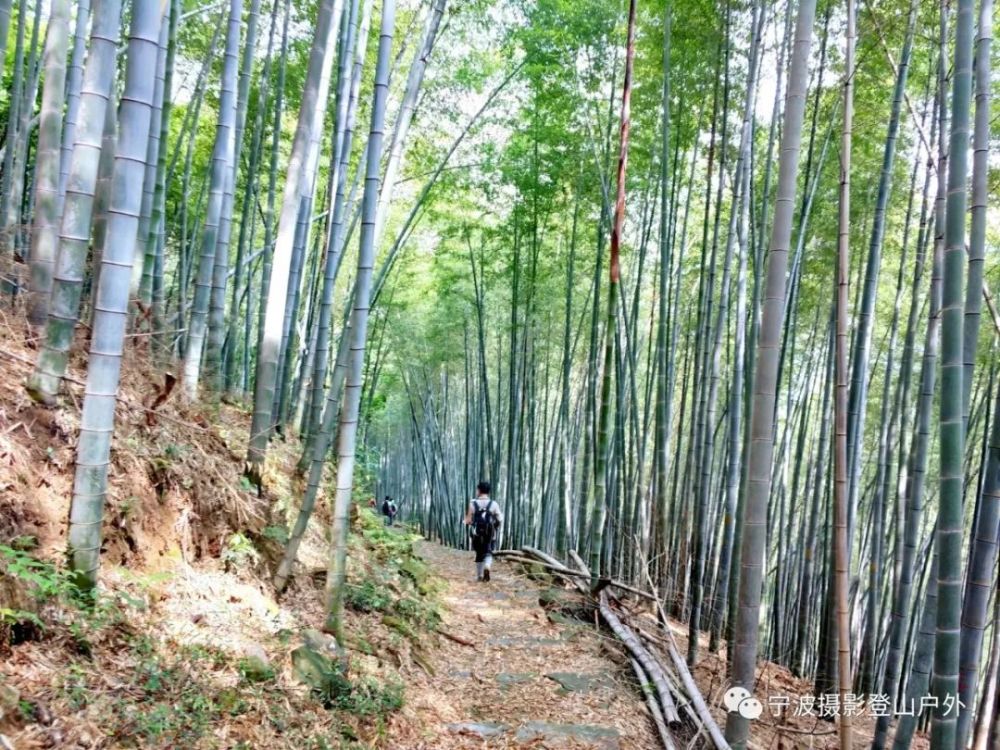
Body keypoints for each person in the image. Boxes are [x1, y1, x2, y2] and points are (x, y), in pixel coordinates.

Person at [464, 481, 502, 582]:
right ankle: (487, 565)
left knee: (479, 553)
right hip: (490, 533)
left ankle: (480, 575)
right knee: (488, 551)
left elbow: (468, 520)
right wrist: (495, 525)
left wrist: (468, 522)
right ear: (488, 492)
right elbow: (500, 519)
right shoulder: (494, 504)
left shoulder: (473, 504)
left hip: (477, 533)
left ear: (479, 490)